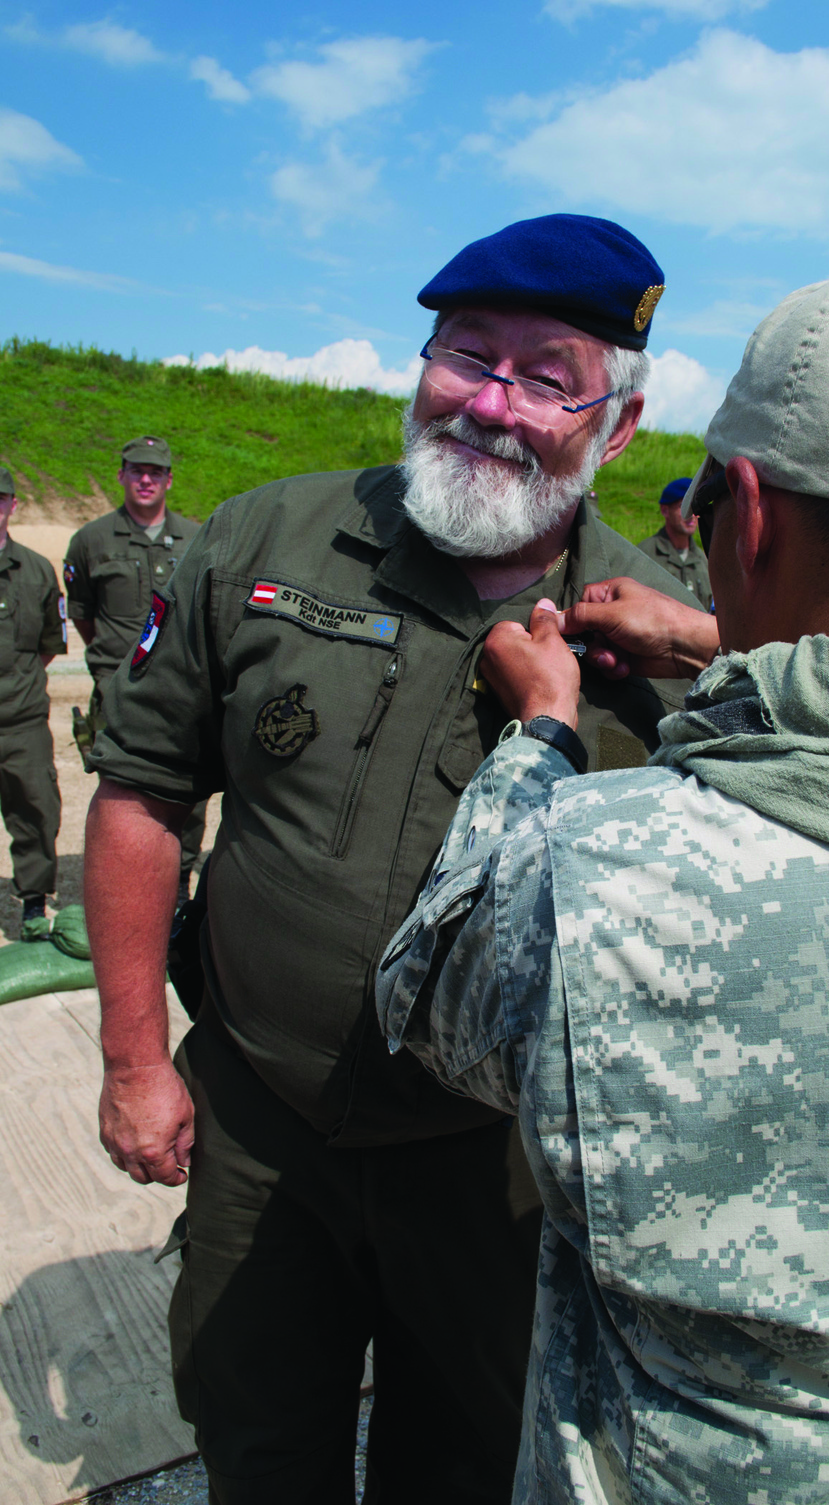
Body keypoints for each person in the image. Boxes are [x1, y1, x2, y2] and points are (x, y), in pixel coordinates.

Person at [83, 215, 707, 1502]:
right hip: (262, 1133)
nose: (488, 402)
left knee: (466, 1467)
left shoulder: (670, 647)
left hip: (497, 1173)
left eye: (545, 378)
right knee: (257, 1444)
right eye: (464, 355)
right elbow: (143, 793)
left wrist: (706, 646)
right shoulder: (263, 541)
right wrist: (136, 1059)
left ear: (619, 428)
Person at [377, 264, 829, 1503]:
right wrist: (731, 640)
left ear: (746, 514)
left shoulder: (609, 870)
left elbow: (427, 987)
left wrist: (542, 732)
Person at [63, 436, 206, 904]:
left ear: (169, 480)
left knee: (189, 794)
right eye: (137, 470)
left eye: (156, 472)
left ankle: (178, 890)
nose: (146, 479)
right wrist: (115, 665)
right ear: (122, 474)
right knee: (122, 798)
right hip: (118, 692)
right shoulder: (91, 541)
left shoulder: (195, 538)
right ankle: (122, 895)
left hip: (180, 693)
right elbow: (83, 616)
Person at [0, 465, 67, 939]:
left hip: (21, 720)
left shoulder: (37, 570)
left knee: (36, 810)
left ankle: (32, 907)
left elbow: (50, 641)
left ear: (13, 505)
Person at [638, 474, 713, 607]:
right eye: (683, 507)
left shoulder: (704, 560)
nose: (692, 515)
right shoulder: (644, 556)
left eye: (695, 507)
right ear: (665, 511)